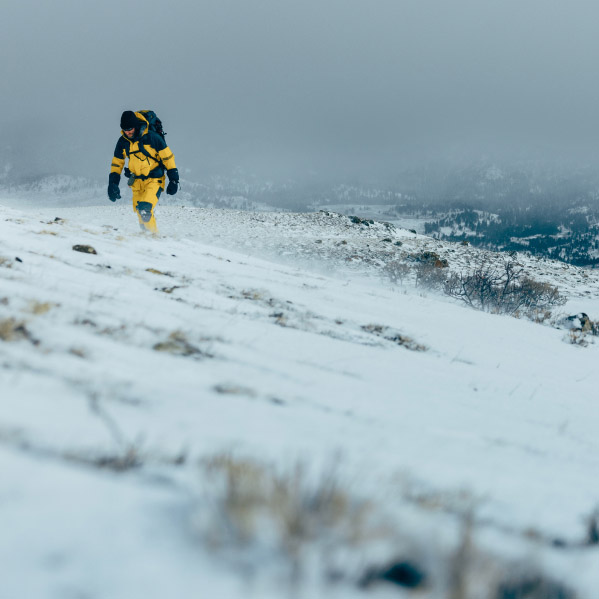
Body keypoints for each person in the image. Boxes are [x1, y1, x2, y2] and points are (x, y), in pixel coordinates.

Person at [108, 110, 179, 233]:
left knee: (145, 209)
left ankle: (152, 238)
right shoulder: (123, 142)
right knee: (142, 215)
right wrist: (113, 183)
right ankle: (150, 238)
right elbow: (117, 163)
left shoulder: (152, 138)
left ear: (135, 126)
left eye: (130, 128)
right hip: (136, 183)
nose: (128, 132)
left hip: (154, 180)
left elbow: (168, 158)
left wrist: (174, 179)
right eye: (125, 129)